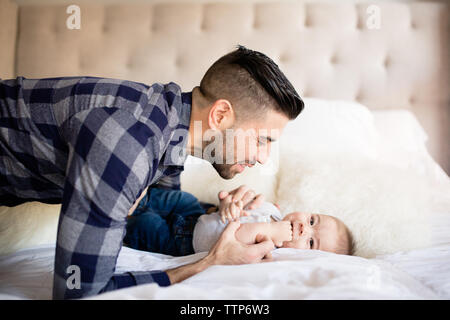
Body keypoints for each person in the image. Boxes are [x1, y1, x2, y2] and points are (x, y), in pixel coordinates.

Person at [0, 45, 304, 299]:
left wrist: (219, 212)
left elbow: (155, 209)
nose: (264, 158)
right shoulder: (129, 144)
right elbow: (79, 292)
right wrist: (210, 263)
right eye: (263, 140)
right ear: (220, 115)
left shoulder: (168, 126)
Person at [125, 188, 354, 256]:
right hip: (198, 215)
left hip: (183, 243)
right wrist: (231, 204)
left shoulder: (270, 248)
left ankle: (121, 220)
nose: (305, 228)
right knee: (179, 198)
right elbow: (237, 208)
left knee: (146, 226)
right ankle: (138, 196)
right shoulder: (273, 209)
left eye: (311, 242)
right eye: (312, 220)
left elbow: (235, 238)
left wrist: (271, 230)